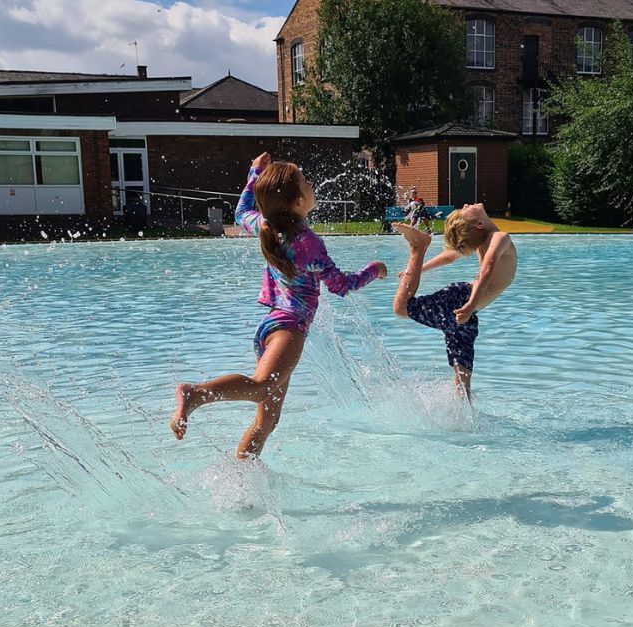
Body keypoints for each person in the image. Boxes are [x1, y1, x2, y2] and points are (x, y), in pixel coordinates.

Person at [169, 152, 388, 458]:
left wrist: (254, 173)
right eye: (305, 181)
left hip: (272, 326)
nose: (312, 185)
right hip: (289, 329)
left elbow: (240, 213)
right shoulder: (307, 243)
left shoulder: (266, 225)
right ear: (297, 202)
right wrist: (374, 270)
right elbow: (340, 285)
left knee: (268, 420)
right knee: (261, 386)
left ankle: (243, 474)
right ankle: (195, 394)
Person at [391, 206, 518, 399]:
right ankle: (418, 247)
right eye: (465, 210)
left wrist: (419, 270)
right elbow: (486, 269)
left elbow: (452, 256)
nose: (466, 205)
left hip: (467, 310)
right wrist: (470, 304)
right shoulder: (499, 238)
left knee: (462, 378)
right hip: (461, 300)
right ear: (479, 223)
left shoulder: (487, 239)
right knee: (401, 308)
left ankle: (464, 415)